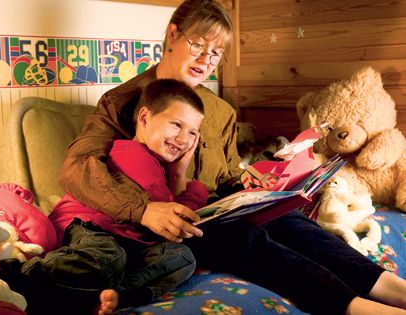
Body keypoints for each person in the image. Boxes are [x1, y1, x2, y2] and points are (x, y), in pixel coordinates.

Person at [27, 0, 406, 315]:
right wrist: (143, 209)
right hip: (161, 224)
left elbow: (223, 176)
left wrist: (247, 183)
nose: (207, 59)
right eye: (198, 45)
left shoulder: (219, 111)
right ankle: (357, 308)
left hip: (210, 208)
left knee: (288, 221)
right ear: (173, 34)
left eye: (217, 52)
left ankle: (390, 287)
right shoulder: (124, 103)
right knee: (238, 235)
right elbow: (75, 168)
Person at [44, 78, 208, 314]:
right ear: (143, 118)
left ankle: (119, 296)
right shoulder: (134, 155)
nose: (183, 139)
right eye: (176, 125)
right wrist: (189, 184)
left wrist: (177, 173)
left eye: (192, 132)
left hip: (124, 242)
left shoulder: (159, 165)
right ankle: (25, 275)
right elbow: (172, 224)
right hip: (87, 230)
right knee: (110, 256)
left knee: (182, 257)